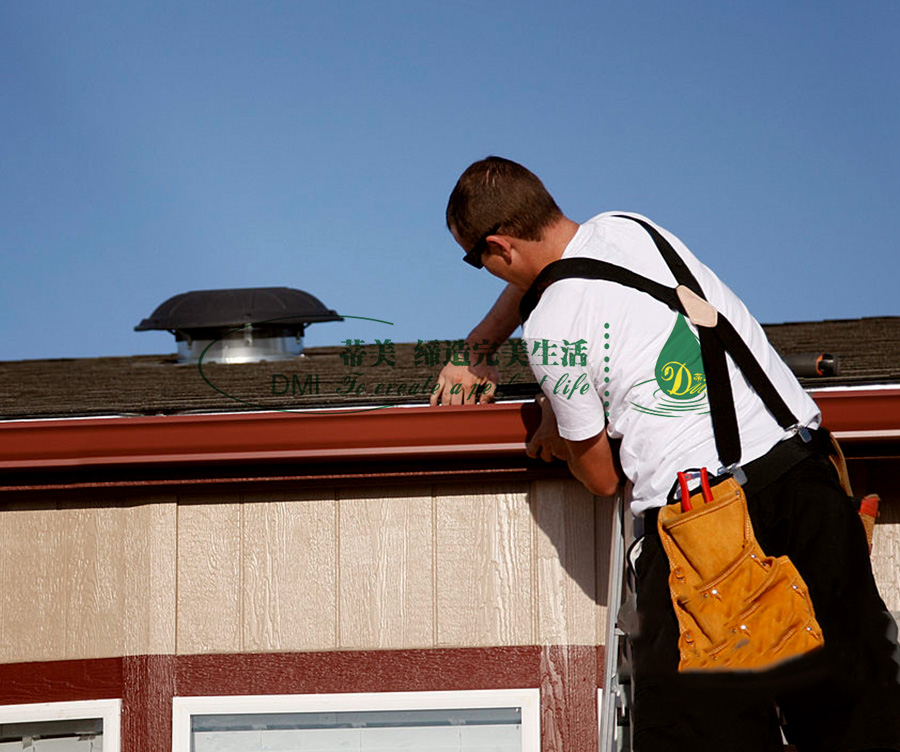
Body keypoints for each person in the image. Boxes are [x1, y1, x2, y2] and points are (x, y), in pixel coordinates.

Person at [437, 155, 900, 751]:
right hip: (806, 477)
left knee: (700, 732)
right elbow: (552, 277)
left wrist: (559, 426)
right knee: (860, 717)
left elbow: (601, 477)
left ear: (499, 247)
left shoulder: (552, 332)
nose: (485, 271)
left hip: (706, 529)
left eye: (477, 259)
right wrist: (480, 347)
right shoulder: (631, 227)